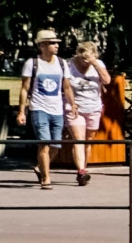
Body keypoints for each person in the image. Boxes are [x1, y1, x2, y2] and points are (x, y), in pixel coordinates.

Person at [15, 30, 71, 189]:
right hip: (39, 108)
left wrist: (72, 105)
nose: (57, 45)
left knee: (56, 145)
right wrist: (21, 111)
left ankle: (40, 167)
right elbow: (25, 89)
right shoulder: (32, 63)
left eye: (57, 43)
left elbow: (66, 87)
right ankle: (46, 178)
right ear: (42, 45)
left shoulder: (62, 63)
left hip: (57, 109)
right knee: (44, 144)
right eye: (53, 43)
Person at [62, 41, 110, 186]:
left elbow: (107, 80)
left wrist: (95, 63)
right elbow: (65, 86)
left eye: (89, 58)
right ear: (78, 54)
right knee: (79, 139)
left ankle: (84, 168)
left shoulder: (98, 64)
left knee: (88, 141)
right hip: (74, 108)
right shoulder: (68, 65)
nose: (86, 62)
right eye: (83, 58)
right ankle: (81, 171)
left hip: (94, 107)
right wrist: (71, 103)